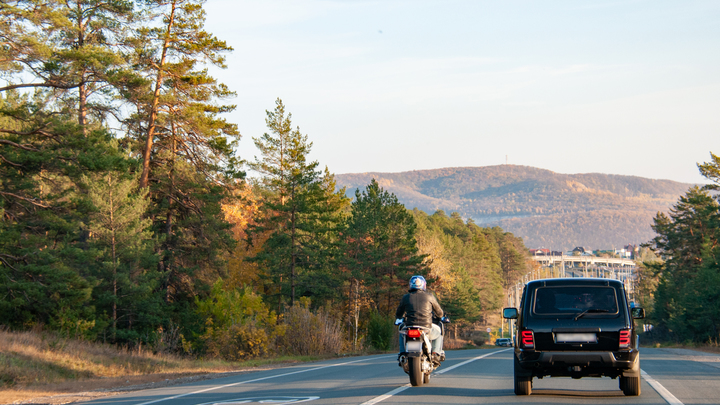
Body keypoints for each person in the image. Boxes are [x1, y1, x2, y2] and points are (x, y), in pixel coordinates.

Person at [395, 275, 445, 365]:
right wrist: (440, 316)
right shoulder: (430, 296)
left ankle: (402, 354)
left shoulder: (405, 297)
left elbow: (398, 313)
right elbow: (439, 312)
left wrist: (400, 317)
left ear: (411, 285)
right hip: (426, 328)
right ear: (424, 285)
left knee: (402, 334)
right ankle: (435, 354)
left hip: (410, 327)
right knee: (439, 332)